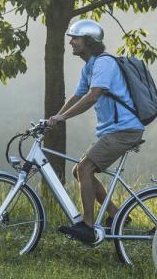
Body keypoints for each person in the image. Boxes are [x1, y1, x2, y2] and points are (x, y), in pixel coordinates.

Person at [47, 19, 145, 245]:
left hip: (125, 130)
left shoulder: (104, 64)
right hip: (115, 130)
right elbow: (78, 95)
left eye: (75, 38)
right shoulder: (89, 66)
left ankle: (88, 227)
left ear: (89, 42)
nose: (70, 42)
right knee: (79, 172)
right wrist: (54, 118)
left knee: (84, 168)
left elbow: (93, 95)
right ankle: (117, 215)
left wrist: (63, 117)